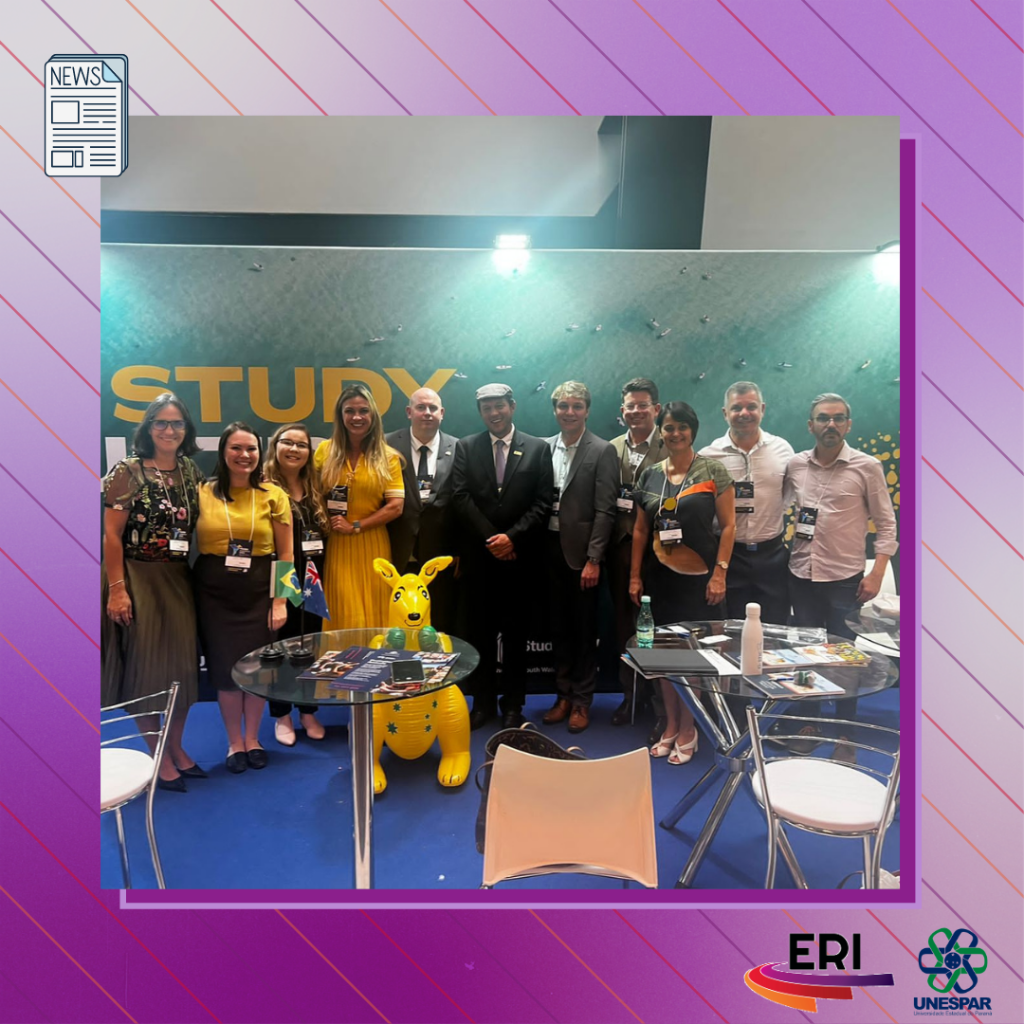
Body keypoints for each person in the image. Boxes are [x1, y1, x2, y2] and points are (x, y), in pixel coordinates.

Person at [102, 393, 205, 792]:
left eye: (177, 423)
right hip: (136, 577)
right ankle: (158, 754)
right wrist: (117, 590)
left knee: (181, 669)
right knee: (145, 670)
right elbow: (111, 535)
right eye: (160, 422)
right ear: (148, 428)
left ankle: (175, 746)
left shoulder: (190, 471)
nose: (169, 430)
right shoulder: (128, 471)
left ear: (186, 429)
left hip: (177, 578)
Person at [784, 393, 898, 746]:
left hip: (845, 580)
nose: (830, 424)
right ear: (811, 425)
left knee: (844, 658)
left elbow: (886, 524)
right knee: (806, 654)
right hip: (801, 575)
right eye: (823, 418)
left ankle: (845, 729)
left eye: (838, 418)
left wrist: (877, 573)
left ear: (848, 425)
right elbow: (775, 506)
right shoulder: (795, 465)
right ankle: (809, 720)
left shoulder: (867, 467)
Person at [630, 402, 735, 765]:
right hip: (659, 579)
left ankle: (690, 727)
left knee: (694, 658)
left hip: (700, 578)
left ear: (693, 430)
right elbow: (640, 530)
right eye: (669, 427)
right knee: (663, 654)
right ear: (660, 432)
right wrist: (634, 575)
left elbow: (729, 526)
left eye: (682, 427)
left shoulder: (713, 470)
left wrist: (720, 573)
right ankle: (672, 724)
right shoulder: (649, 475)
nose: (675, 434)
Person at [452, 384, 553, 730]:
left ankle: (512, 705)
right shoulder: (466, 447)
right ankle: (481, 703)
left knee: (516, 637)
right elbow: (461, 497)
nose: (494, 413)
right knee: (478, 635)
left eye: (499, 406)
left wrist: (511, 538)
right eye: (487, 408)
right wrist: (492, 539)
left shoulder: (537, 448)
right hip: (480, 561)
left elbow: (543, 503)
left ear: (512, 406)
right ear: (480, 412)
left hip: (519, 560)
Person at [194, 423, 293, 773]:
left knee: (256, 671)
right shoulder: (202, 492)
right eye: (236, 448)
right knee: (224, 672)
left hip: (259, 590)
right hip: (214, 592)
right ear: (223, 452)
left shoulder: (273, 495)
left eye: (251, 449)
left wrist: (280, 600)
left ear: (259, 454)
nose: (244, 455)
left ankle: (253, 739)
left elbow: (286, 554)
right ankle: (234, 743)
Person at [541, 382, 618, 734]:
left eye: (576, 406)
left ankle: (583, 701)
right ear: (555, 410)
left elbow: (605, 510)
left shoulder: (602, 450)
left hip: (583, 556)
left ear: (587, 410)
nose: (569, 412)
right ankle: (563, 696)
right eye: (563, 406)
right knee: (558, 629)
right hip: (548, 551)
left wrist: (594, 559)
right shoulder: (543, 448)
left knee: (585, 632)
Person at [699, 382, 795, 625]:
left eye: (751, 407)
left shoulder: (783, 450)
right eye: (736, 408)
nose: (744, 413)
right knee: (729, 630)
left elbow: (787, 496)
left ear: (762, 409)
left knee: (775, 630)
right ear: (725, 413)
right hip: (728, 559)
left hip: (772, 556)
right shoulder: (708, 457)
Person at [314, 385, 404, 630]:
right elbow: (309, 490)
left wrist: (356, 526)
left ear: (373, 415)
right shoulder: (324, 451)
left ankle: (376, 656)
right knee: (343, 607)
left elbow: (395, 507)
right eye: (349, 411)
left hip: (373, 543)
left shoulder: (389, 457)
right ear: (340, 415)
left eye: (363, 411)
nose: (357, 417)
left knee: (376, 607)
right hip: (338, 544)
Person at [263, 423, 328, 745]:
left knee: (309, 647)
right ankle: (282, 714)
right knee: (281, 647)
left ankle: (307, 711)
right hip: (280, 576)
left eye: (301, 444)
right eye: (287, 442)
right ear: (275, 446)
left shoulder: (316, 487)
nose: (294, 449)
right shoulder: (263, 488)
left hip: (313, 579)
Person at [608, 378, 667, 732]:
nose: (636, 411)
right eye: (630, 405)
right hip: (620, 550)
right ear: (622, 411)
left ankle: (662, 704)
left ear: (656, 409)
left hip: (661, 551)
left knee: (660, 628)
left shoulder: (672, 443)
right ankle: (631, 694)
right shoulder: (611, 448)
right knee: (624, 627)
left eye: (643, 405)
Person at [385, 387, 459, 630]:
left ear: (442, 413)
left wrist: (459, 550)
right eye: (421, 407)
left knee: (438, 622)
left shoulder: (459, 448)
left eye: (433, 408)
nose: (427, 412)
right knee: (396, 623)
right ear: (409, 412)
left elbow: (462, 504)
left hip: (439, 555)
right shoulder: (386, 445)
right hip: (396, 550)